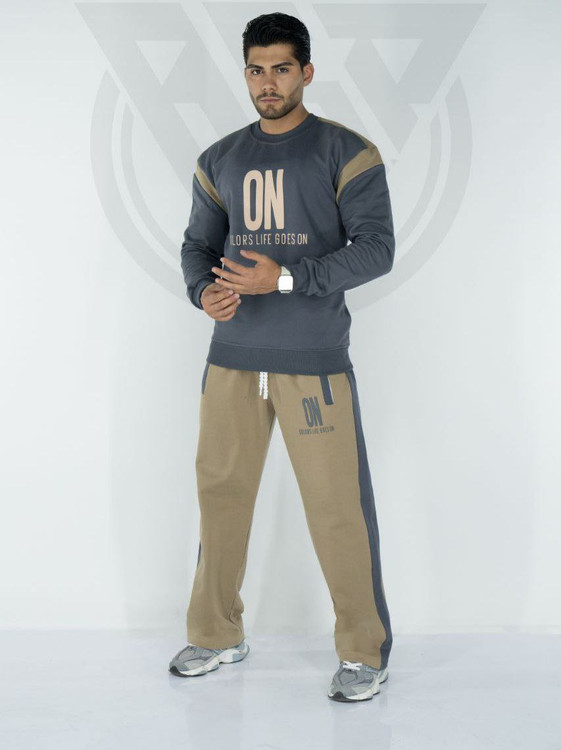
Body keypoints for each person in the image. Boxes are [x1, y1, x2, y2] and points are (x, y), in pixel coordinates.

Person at [169, 12, 395, 703]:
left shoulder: (346, 152)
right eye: (256, 70)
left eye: (281, 69)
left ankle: (363, 652)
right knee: (221, 498)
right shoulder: (219, 158)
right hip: (232, 357)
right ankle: (216, 634)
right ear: (245, 74)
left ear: (306, 72)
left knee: (336, 508)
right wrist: (203, 291)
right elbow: (197, 246)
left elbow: (376, 249)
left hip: (313, 360)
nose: (268, 83)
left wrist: (287, 279)